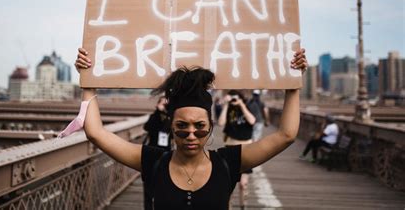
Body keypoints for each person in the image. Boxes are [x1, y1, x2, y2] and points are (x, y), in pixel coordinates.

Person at [67, 47, 307, 210]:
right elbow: (96, 133)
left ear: (211, 127)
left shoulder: (228, 162)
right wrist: (88, 82)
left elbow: (286, 135)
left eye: (200, 126)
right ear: (171, 127)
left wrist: (293, 83)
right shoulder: (153, 160)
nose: (191, 134)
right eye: (182, 127)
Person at [218, 90, 255, 208]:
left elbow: (252, 121)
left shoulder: (247, 106)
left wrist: (241, 105)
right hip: (230, 148)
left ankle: (243, 206)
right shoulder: (228, 108)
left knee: (243, 184)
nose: (234, 100)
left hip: (246, 149)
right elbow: (220, 123)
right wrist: (226, 105)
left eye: (236, 97)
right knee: (229, 185)